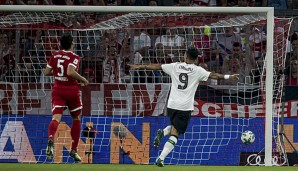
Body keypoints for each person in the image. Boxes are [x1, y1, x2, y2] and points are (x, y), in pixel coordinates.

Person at [129, 47, 239, 167]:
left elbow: (158, 66)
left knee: (174, 127)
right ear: (196, 59)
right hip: (185, 107)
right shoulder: (198, 71)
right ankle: (160, 158)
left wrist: (140, 66)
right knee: (176, 134)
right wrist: (229, 76)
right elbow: (214, 75)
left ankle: (164, 132)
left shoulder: (175, 66)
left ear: (185, 56)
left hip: (171, 105)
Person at [44, 33, 89, 162]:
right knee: (76, 118)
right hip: (71, 90)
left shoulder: (55, 55)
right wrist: (83, 79)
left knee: (56, 118)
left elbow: (46, 72)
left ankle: (51, 138)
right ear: (72, 44)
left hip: (57, 89)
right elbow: (70, 71)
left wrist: (58, 72)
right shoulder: (74, 56)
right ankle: (74, 150)